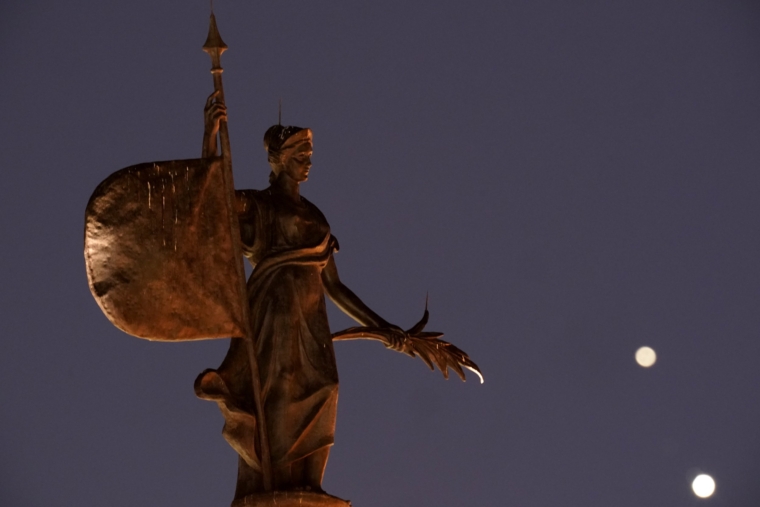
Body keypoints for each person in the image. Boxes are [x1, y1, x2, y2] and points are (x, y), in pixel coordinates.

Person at [194, 91, 404, 499]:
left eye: (309, 154)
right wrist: (210, 135)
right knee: (280, 393)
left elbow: (335, 286)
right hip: (274, 312)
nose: (307, 160)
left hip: (311, 319)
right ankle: (271, 482)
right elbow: (211, 199)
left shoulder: (317, 217)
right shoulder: (258, 205)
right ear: (277, 159)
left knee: (326, 388)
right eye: (299, 154)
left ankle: (309, 485)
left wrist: (383, 326)